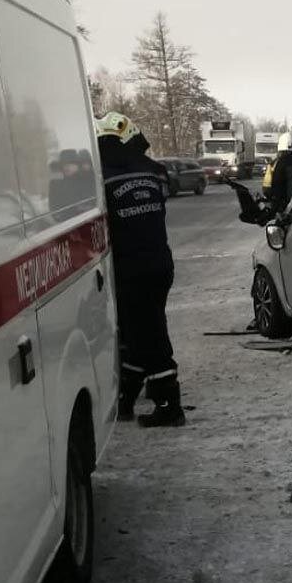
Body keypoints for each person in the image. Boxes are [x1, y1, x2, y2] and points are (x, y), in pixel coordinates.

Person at [95, 111, 186, 428]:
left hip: (129, 268)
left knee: (148, 336)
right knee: (140, 330)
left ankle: (168, 404)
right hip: (160, 263)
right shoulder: (153, 171)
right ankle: (126, 399)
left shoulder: (101, 177)